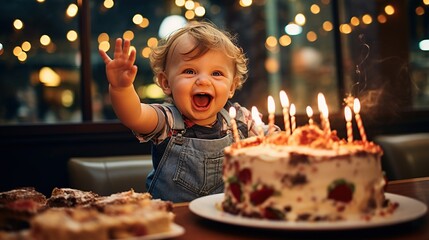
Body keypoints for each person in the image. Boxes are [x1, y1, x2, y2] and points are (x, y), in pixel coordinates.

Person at [99, 21, 273, 202]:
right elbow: (134, 116)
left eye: (216, 73)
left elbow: (274, 140)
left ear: (232, 86)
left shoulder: (240, 119)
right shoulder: (167, 120)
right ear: (166, 83)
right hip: (174, 219)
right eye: (190, 71)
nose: (203, 81)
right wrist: (121, 88)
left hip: (225, 215)